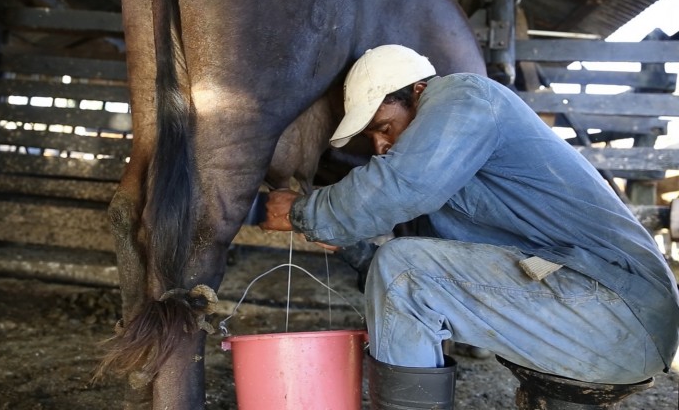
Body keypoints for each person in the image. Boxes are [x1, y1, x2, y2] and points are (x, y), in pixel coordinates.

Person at [259, 44, 679, 409]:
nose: (380, 146)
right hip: (597, 311)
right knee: (401, 268)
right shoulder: (451, 177)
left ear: (419, 92)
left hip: (619, 311)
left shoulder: (466, 97)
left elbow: (400, 195)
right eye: (372, 138)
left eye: (383, 128)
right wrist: (350, 243)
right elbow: (421, 281)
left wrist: (304, 213)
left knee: (404, 271)